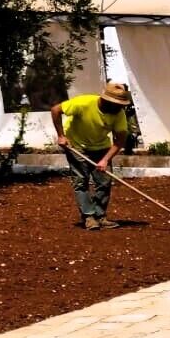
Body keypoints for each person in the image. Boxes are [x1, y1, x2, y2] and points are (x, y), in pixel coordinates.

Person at [50, 82, 135, 230]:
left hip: (102, 147)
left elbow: (120, 140)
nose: (120, 107)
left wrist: (105, 159)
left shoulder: (118, 114)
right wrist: (61, 136)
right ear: (106, 100)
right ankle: (89, 217)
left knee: (104, 182)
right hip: (76, 146)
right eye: (117, 104)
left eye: (121, 104)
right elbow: (55, 110)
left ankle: (100, 216)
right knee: (81, 182)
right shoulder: (84, 103)